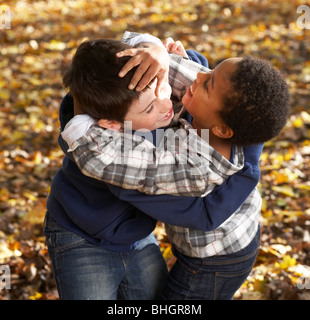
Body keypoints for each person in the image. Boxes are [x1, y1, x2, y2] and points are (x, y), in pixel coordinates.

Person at [60, 31, 290, 299]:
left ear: (222, 130)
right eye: (211, 71)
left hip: (216, 258)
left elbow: (104, 158)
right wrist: (153, 50)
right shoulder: (219, 108)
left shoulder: (195, 167)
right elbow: (148, 63)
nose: (200, 75)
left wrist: (78, 122)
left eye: (207, 84)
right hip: (230, 236)